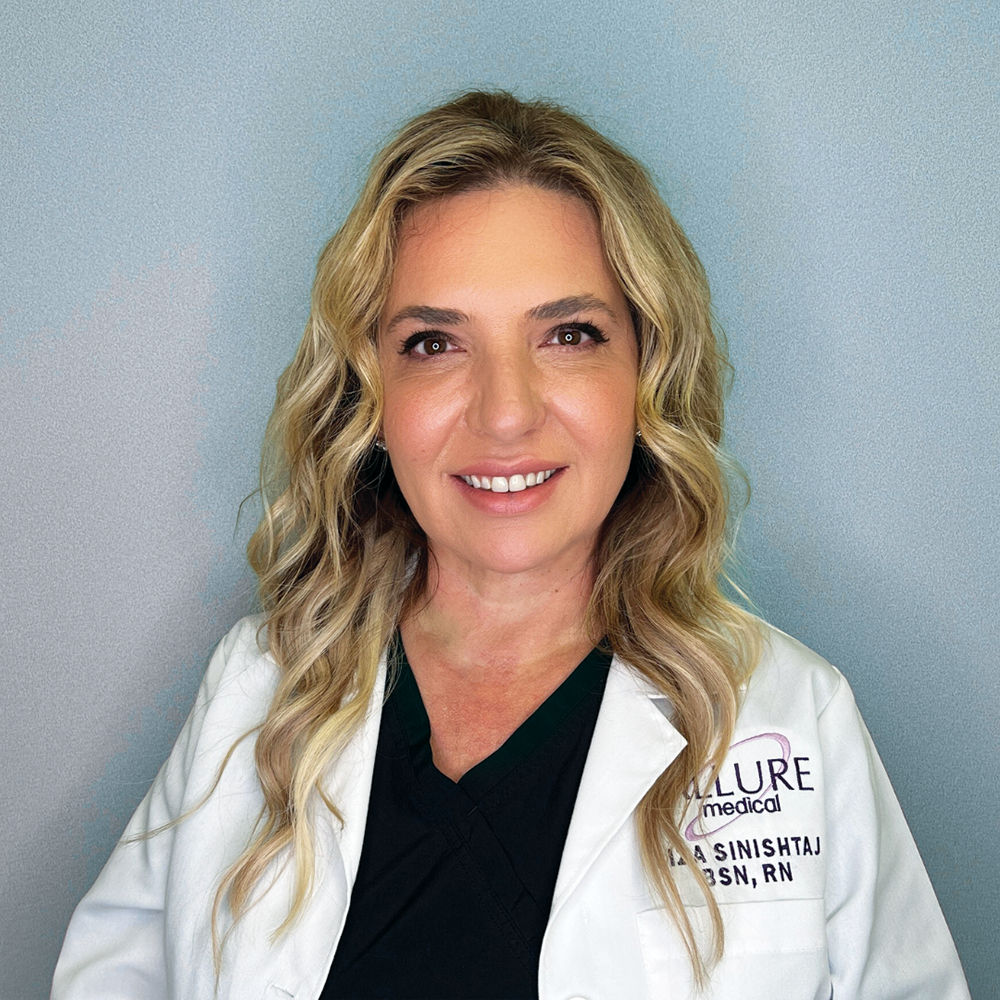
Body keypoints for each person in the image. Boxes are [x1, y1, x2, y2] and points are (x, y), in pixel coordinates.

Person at [51, 91, 970, 1000]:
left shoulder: (788, 717)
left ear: (647, 375)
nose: (505, 413)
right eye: (433, 344)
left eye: (569, 336)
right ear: (370, 399)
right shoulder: (258, 691)